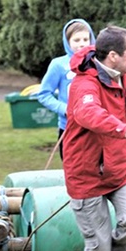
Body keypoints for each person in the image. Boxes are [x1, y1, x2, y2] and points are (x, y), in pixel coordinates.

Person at [62, 25, 126, 251]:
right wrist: (123, 129)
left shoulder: (125, 77)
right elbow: (88, 113)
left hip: (120, 167)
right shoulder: (83, 84)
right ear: (113, 56)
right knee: (98, 241)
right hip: (86, 174)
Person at [36, 19, 95, 158]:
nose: (82, 44)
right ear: (67, 41)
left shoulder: (97, 63)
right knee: (74, 171)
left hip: (95, 129)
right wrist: (64, 109)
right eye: (76, 40)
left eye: (86, 39)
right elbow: (44, 94)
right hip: (69, 128)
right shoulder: (58, 65)